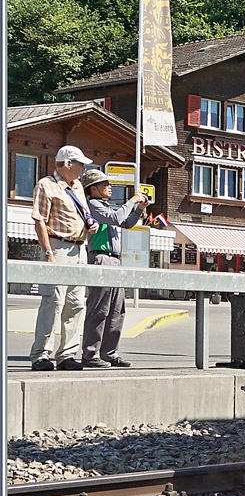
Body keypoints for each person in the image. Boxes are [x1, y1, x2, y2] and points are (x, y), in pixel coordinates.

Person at [29, 146, 100, 371]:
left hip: (79, 248)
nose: (83, 169)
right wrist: (48, 252)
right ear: (68, 163)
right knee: (53, 302)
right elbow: (39, 220)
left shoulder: (77, 186)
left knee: (76, 304)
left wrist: (91, 224)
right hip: (58, 247)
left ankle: (67, 354)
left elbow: (83, 213)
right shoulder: (45, 185)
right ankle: (41, 354)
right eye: (80, 164)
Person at [80, 169, 150, 368]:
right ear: (93, 189)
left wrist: (138, 209)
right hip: (101, 258)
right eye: (104, 185)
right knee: (99, 308)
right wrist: (132, 201)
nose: (109, 188)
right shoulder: (92, 205)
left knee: (117, 310)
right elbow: (117, 219)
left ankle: (109, 352)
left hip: (114, 260)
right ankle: (90, 354)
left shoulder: (104, 205)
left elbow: (126, 223)